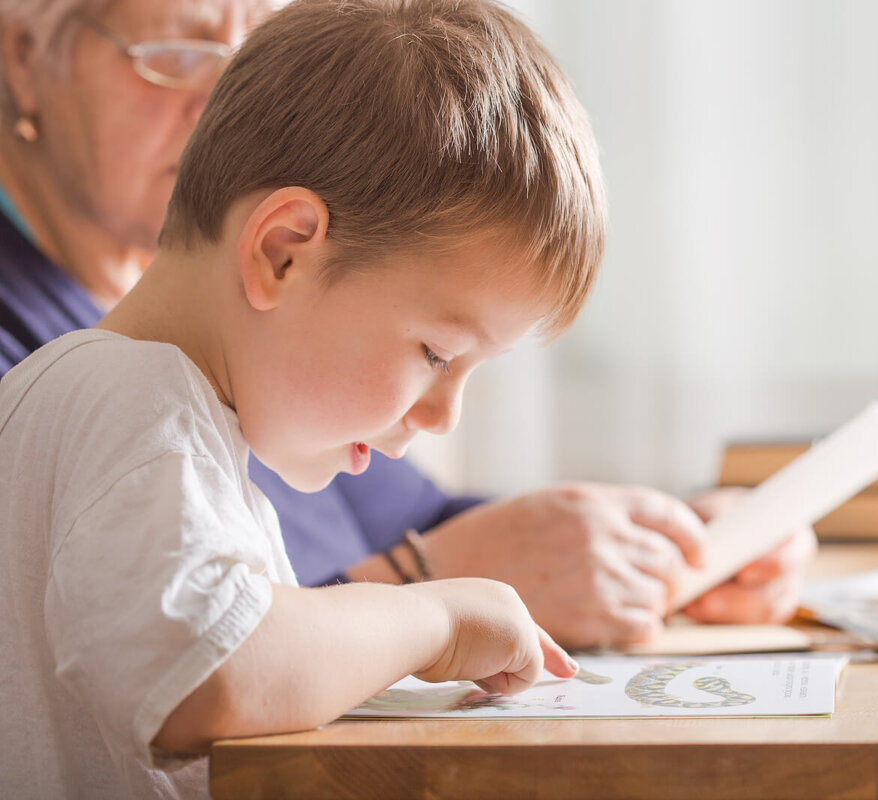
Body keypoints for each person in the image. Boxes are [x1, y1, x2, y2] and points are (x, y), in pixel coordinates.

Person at [0, 0, 814, 650]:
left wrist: (660, 545)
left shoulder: (256, 356)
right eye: (178, 51)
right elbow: (211, 655)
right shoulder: (130, 391)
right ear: (25, 61)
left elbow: (408, 518)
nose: (225, 99)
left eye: (258, 41)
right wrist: (433, 604)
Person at [0, 0, 612, 795]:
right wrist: (437, 620)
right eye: (435, 353)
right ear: (284, 253)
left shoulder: (180, 421)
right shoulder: (129, 400)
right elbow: (210, 672)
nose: (441, 415)